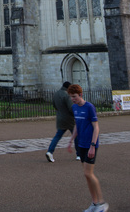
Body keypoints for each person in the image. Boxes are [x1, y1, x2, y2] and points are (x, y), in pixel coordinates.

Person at [66, 84, 108, 212]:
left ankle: (101, 203)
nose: (73, 99)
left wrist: (93, 146)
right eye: (71, 97)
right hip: (81, 144)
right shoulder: (74, 107)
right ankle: (94, 203)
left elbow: (96, 127)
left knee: (88, 173)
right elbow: (77, 125)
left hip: (90, 145)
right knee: (87, 175)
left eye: (74, 96)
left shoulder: (89, 107)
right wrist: (71, 140)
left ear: (80, 95)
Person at [45, 81, 76, 162]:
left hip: (60, 118)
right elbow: (71, 108)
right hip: (69, 119)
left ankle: (50, 151)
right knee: (76, 136)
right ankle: (79, 154)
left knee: (57, 137)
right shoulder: (67, 95)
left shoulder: (56, 94)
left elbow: (54, 105)